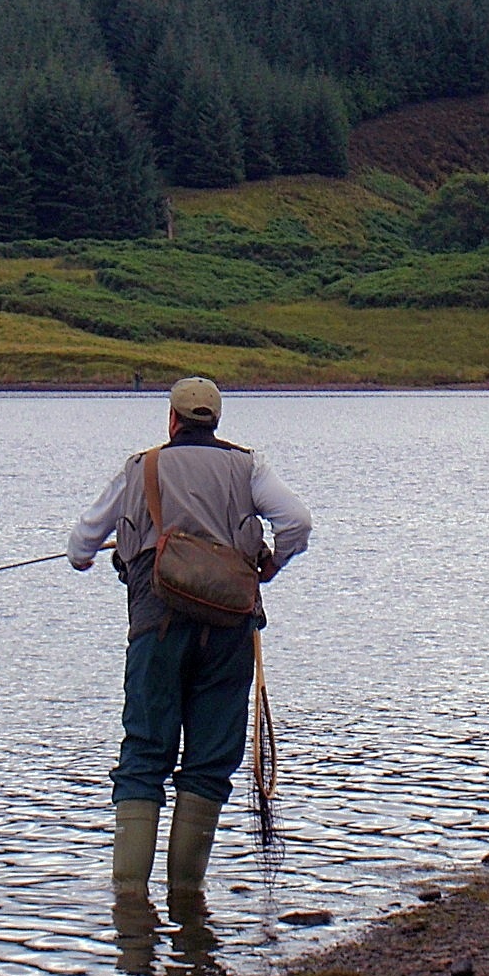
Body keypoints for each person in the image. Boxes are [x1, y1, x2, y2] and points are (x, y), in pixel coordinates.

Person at [68, 376, 312, 896]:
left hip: (156, 626)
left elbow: (81, 541)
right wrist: (271, 563)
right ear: (215, 421)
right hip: (229, 629)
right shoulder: (248, 466)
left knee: (145, 753)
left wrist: (88, 557)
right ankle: (187, 900)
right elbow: (296, 521)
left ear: (172, 421)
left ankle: (130, 909)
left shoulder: (142, 467)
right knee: (208, 761)